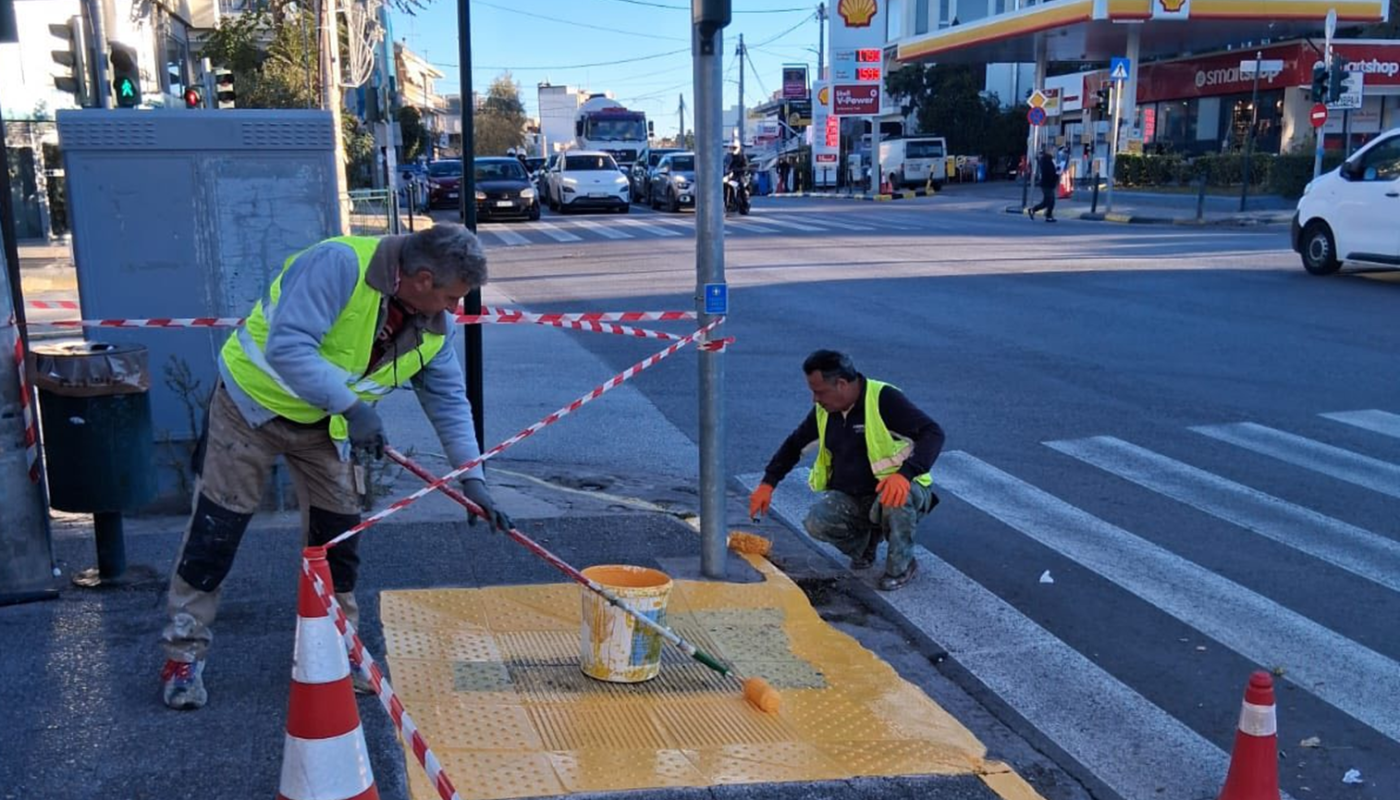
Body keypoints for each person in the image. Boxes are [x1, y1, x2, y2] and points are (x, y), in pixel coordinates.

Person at [159, 224, 513, 711]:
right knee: (215, 535)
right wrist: (352, 408)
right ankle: (183, 654)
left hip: (323, 426)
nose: (455, 310)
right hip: (250, 408)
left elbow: (450, 400)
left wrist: (473, 479)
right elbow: (287, 348)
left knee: (336, 542)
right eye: (452, 297)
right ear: (423, 279)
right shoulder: (339, 265)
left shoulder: (434, 326)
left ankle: (335, 653)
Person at [748, 350, 944, 591]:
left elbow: (933, 434)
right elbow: (794, 445)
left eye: (819, 392)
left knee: (895, 501)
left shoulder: (882, 398)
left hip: (897, 490)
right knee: (817, 523)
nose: (815, 399)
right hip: (854, 495)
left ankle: (902, 566)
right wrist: (768, 483)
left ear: (841, 384)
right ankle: (866, 546)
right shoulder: (825, 410)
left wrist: (904, 475)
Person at [1027, 145, 1059, 222]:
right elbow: (1048, 172)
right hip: (1047, 184)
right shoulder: (1046, 160)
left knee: (1046, 201)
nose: (1054, 152)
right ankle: (1048, 215)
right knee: (1050, 201)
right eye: (1053, 151)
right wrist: (1056, 175)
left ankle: (1034, 210)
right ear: (1049, 151)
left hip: (1048, 183)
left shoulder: (1047, 160)